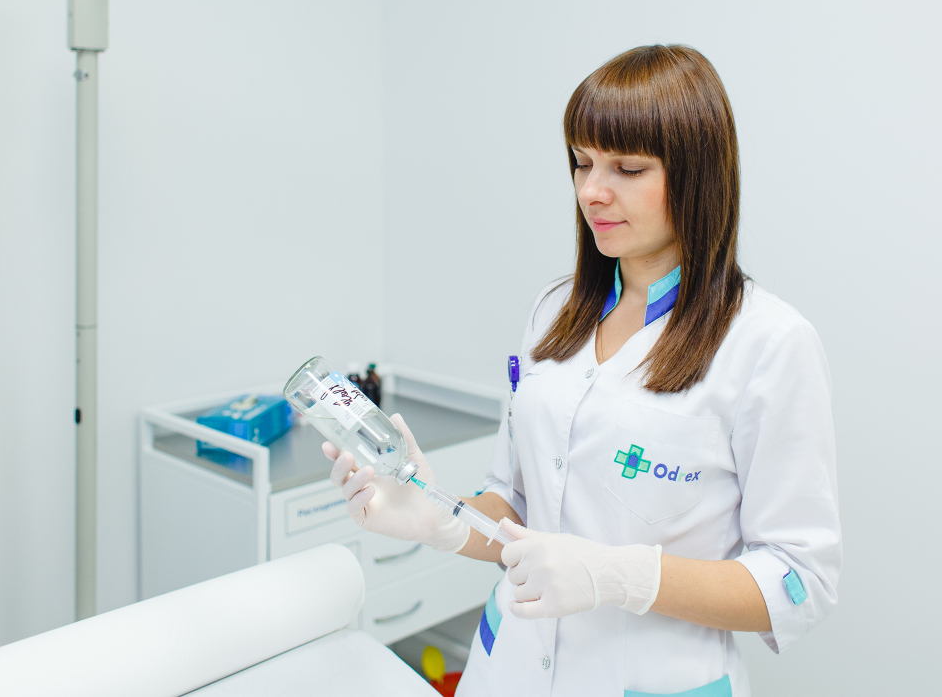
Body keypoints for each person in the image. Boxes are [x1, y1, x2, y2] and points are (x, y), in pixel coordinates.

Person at [322, 45, 841, 697]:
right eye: (581, 161)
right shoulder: (554, 311)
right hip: (507, 670)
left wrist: (624, 575)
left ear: (698, 174)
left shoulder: (768, 343)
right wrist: (440, 517)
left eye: (628, 167)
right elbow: (516, 506)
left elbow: (801, 581)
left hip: (651, 680)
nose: (592, 190)